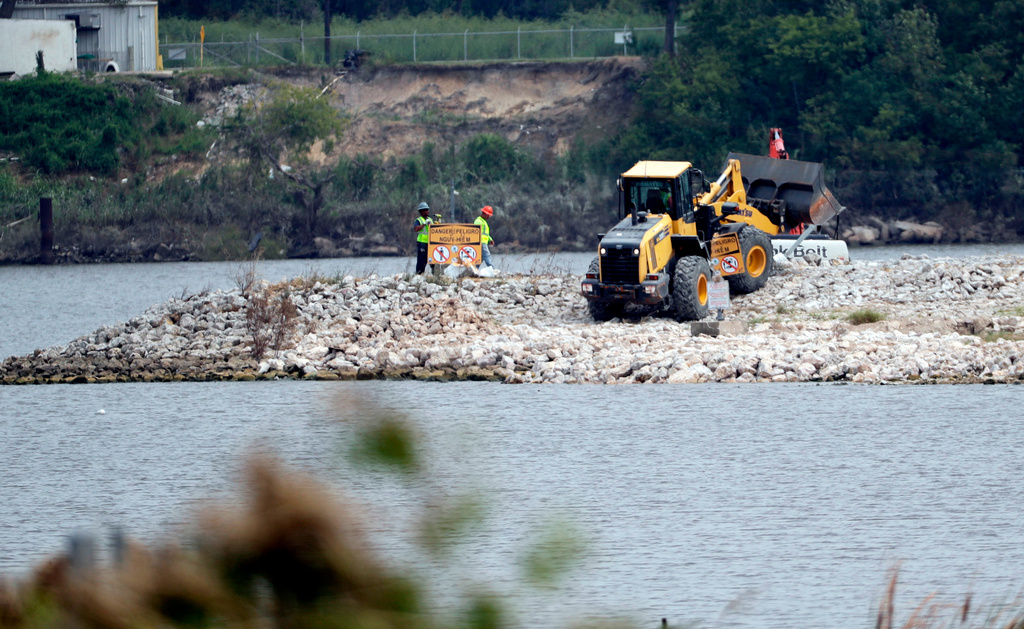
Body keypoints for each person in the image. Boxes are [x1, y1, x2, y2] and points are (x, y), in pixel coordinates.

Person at [413, 201, 434, 274]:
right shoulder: (419, 220)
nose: (427, 211)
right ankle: (419, 274)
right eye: (425, 210)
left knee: (432, 259)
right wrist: (424, 224)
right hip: (422, 242)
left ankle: (434, 274)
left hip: (430, 243)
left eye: (428, 209)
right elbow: (416, 228)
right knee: (422, 260)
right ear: (421, 211)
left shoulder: (430, 220)